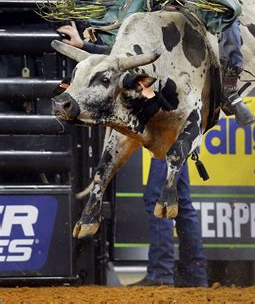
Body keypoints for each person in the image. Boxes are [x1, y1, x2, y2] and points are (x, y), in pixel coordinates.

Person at [56, 21, 208, 287]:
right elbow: (121, 57)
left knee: (159, 196)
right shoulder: (154, 23)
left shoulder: (155, 21)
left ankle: (163, 273)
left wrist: (87, 46)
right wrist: (86, 46)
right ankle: (195, 275)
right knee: (179, 199)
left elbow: (124, 60)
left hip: (167, 119)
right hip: (172, 115)